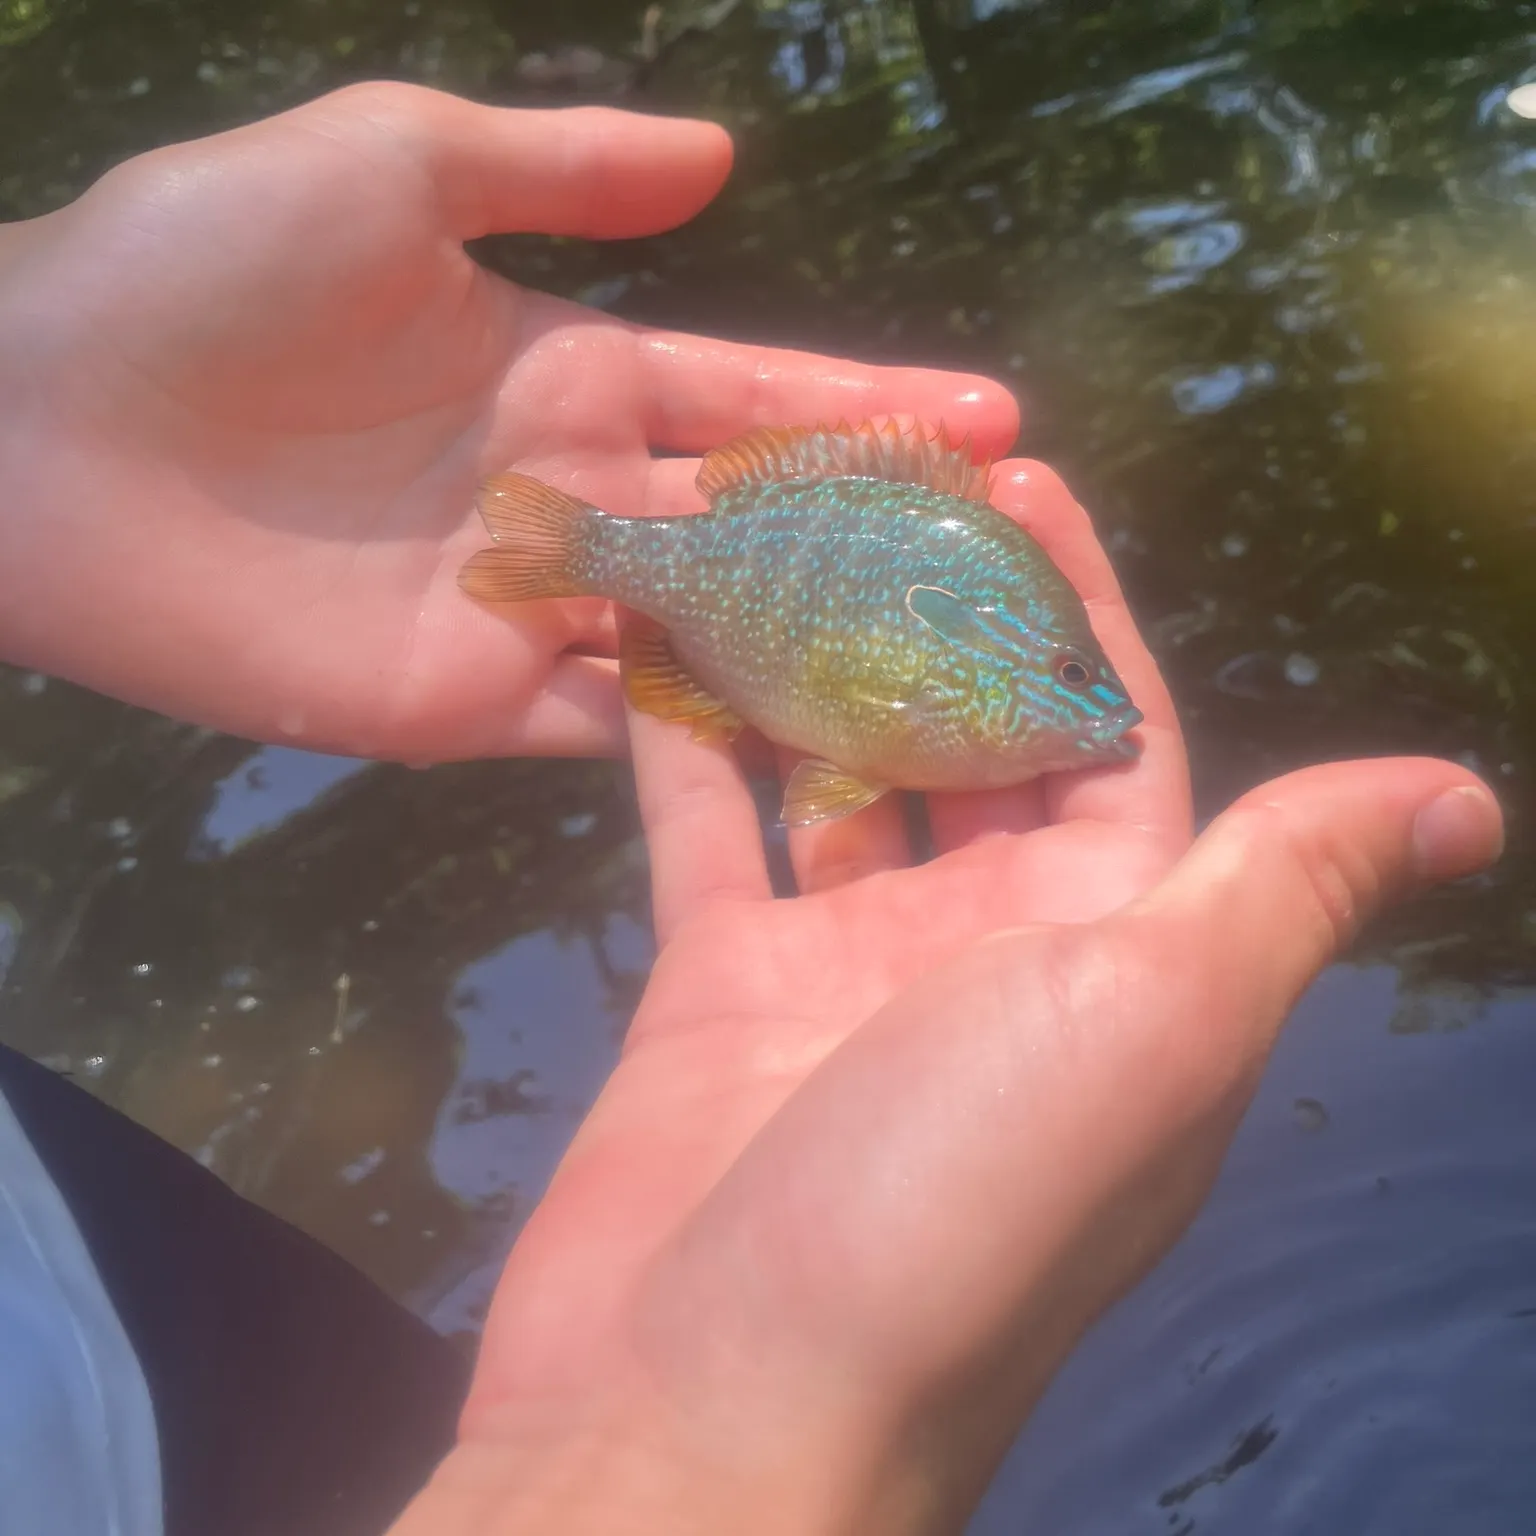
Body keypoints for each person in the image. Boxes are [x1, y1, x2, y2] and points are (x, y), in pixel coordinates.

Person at [0, 82, 1504, 1536]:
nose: (1100, 713)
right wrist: (710, 1446)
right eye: (1065, 674)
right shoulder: (942, 692)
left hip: (114, 1272)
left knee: (357, 1418)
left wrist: (33, 388)